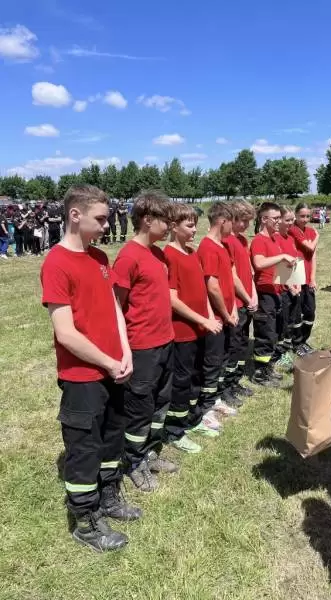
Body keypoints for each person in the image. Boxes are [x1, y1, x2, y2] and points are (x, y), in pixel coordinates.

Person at [40, 184, 141, 553]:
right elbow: (65, 333)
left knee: (112, 438)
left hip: (114, 368)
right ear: (75, 215)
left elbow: (114, 307)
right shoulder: (56, 263)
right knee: (84, 449)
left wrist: (125, 350)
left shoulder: (99, 257)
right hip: (83, 376)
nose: (107, 224)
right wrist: (109, 361)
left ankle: (109, 496)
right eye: (100, 218)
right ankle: (85, 520)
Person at [113, 190, 178, 493]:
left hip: (166, 341)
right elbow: (116, 304)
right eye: (166, 221)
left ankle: (149, 451)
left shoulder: (158, 254)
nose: (170, 227)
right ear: (148, 219)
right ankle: (133, 461)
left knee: (160, 403)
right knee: (139, 408)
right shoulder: (128, 256)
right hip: (142, 347)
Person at [164, 204, 222, 453]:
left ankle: (193, 419)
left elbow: (201, 290)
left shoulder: (192, 252)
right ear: (173, 227)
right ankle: (174, 431)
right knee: (181, 382)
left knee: (197, 376)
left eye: (195, 225)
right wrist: (202, 319)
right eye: (189, 225)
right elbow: (172, 299)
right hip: (182, 332)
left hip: (200, 328)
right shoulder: (169, 255)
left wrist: (208, 317)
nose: (194, 230)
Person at [197, 202, 240, 424]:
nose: (233, 227)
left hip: (226, 315)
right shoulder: (207, 247)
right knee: (212, 362)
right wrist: (225, 314)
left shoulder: (222, 246)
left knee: (222, 358)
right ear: (223, 221)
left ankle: (216, 399)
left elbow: (228, 281)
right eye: (232, 222)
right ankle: (206, 407)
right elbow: (212, 286)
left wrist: (233, 309)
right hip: (215, 317)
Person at [250, 202, 296, 385]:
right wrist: (282, 256)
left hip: (276, 291)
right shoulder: (259, 240)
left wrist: (289, 283)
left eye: (279, 218)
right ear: (264, 219)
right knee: (265, 334)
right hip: (264, 293)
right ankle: (259, 373)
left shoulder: (274, 239)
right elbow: (259, 263)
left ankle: (268, 368)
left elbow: (277, 268)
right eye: (275, 218)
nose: (279, 221)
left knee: (274, 333)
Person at [222, 200, 257, 399]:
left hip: (246, 302)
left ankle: (236, 380)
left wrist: (253, 295)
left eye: (248, 221)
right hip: (235, 303)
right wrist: (246, 297)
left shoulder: (243, 240)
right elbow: (232, 275)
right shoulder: (227, 241)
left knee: (243, 343)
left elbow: (249, 272)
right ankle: (226, 387)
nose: (246, 225)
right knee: (233, 346)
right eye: (242, 220)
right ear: (232, 218)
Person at [273, 205, 301, 369]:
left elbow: (295, 263)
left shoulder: (290, 238)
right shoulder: (275, 239)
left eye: (292, 220)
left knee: (291, 321)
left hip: (294, 287)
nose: (291, 223)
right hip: (282, 288)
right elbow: (279, 267)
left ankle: (286, 349)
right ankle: (278, 355)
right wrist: (290, 286)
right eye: (287, 220)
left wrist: (298, 283)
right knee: (281, 324)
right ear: (280, 220)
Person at [289, 203, 319, 356]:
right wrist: (318, 236)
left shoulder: (310, 231)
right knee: (297, 312)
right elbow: (310, 247)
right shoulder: (293, 229)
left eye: (308, 216)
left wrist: (312, 278)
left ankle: (304, 340)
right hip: (296, 273)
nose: (305, 219)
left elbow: (313, 255)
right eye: (302, 216)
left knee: (310, 311)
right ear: (295, 215)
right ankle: (296, 342)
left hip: (307, 277)